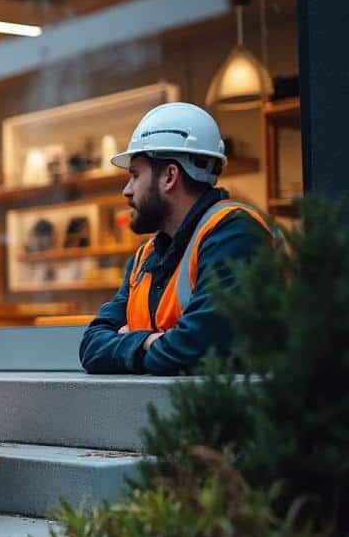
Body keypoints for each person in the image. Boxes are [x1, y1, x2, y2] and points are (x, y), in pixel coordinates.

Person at [81, 102, 281, 375]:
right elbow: (91, 348)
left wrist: (130, 341)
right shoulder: (144, 258)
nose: (126, 191)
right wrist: (152, 342)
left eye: (135, 175)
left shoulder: (236, 235)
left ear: (169, 177)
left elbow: (196, 347)